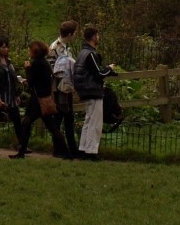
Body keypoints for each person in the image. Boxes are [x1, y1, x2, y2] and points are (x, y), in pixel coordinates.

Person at [16, 40, 69, 159]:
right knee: (52, 127)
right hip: (45, 98)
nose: (29, 52)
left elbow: (31, 82)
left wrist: (27, 68)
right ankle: (66, 152)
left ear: (34, 51)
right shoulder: (44, 63)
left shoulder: (36, 64)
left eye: (30, 50)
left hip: (37, 100)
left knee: (26, 123)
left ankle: (21, 151)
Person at [72, 25, 118, 161]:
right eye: (97, 35)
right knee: (96, 123)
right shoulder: (91, 54)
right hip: (92, 90)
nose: (99, 38)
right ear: (93, 37)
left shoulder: (82, 53)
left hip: (85, 90)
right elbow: (98, 74)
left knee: (88, 121)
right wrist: (109, 69)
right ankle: (92, 152)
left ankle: (83, 149)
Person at [48, 19, 79, 160]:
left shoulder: (65, 47)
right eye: (75, 33)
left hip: (67, 87)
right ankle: (59, 148)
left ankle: (69, 148)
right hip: (60, 88)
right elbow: (52, 68)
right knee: (60, 118)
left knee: (67, 118)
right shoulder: (55, 47)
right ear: (70, 34)